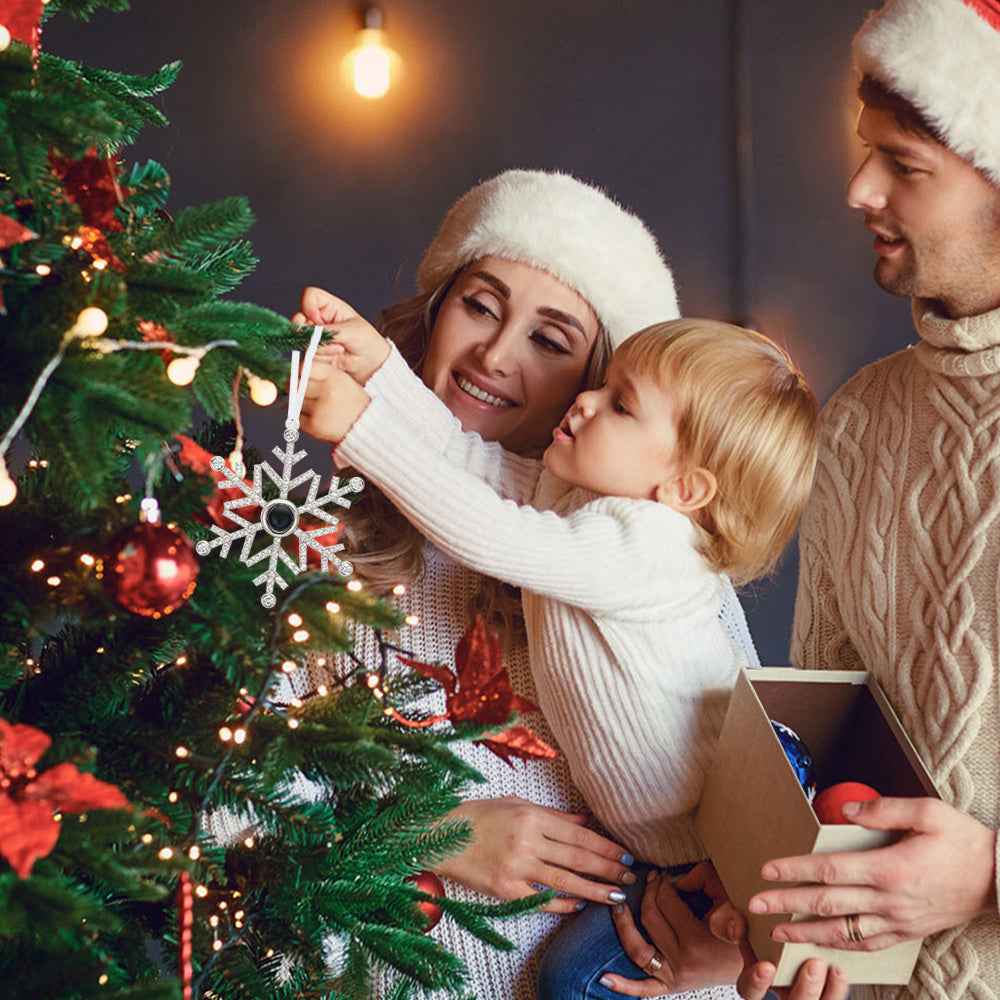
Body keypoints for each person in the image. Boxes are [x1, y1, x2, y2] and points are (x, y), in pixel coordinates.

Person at [604, 2, 1000, 999]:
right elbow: (824, 731)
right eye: (868, 154)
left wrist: (988, 875)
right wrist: (761, 885)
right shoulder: (860, 420)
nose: (859, 189)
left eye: (903, 164)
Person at [290, 169, 762, 998]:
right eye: (480, 306)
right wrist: (429, 832)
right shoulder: (307, 550)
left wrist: (731, 948)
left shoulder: (655, 556)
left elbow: (752, 812)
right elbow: (219, 799)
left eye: (550, 341)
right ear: (438, 311)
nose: (495, 356)